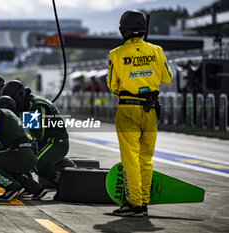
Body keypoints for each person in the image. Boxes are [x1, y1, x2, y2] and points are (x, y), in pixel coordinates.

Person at [107, 10, 173, 216]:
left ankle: (134, 203)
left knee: (131, 159)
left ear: (122, 30)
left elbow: (112, 86)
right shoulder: (157, 51)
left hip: (128, 109)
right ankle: (143, 200)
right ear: (144, 29)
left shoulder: (116, 54)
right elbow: (167, 78)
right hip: (151, 110)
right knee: (146, 158)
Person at [1, 80, 76, 189]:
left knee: (37, 164)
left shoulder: (36, 106)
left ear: (20, 96)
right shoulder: (26, 105)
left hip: (56, 142)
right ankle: (76, 172)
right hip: (46, 143)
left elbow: (36, 135)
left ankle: (67, 187)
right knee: (49, 161)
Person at [0, 96, 47, 201]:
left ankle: (12, 188)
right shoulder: (16, 118)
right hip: (31, 156)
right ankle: (37, 189)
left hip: (19, 153)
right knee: (8, 169)